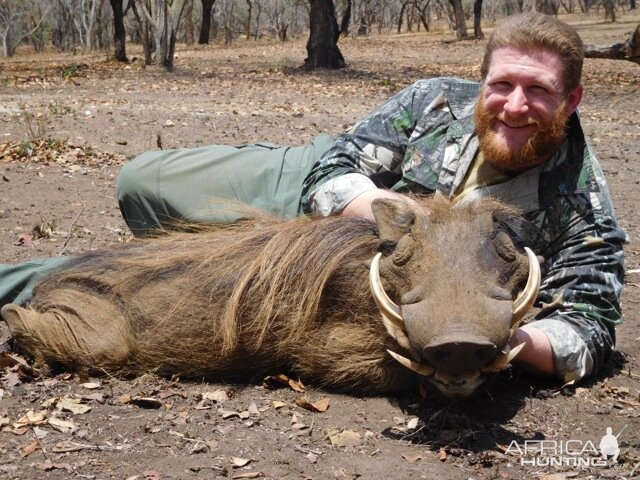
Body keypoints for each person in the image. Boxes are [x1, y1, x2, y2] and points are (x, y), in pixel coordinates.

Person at [1, 13, 625, 386]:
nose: (515, 106)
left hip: (362, 269)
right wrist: (395, 220)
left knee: (148, 285)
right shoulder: (435, 98)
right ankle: (178, 243)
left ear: (571, 101)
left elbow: (589, 328)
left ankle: (25, 284)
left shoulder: (584, 204)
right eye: (503, 84)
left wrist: (497, 338)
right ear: (480, 82)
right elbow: (333, 169)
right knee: (140, 182)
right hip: (334, 190)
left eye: (539, 92)